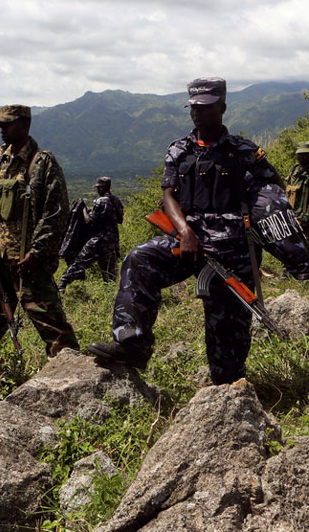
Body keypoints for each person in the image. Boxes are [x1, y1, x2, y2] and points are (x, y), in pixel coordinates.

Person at [88, 77, 285, 385]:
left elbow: (273, 193)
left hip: (231, 251)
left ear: (222, 107)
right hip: (188, 240)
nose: (198, 113)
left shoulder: (244, 151)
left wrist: (255, 223)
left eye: (205, 107)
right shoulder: (179, 149)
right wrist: (185, 231)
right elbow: (168, 194)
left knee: (227, 339)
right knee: (140, 259)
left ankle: (229, 386)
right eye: (194, 107)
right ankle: (132, 344)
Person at [0, 105, 80, 364]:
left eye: (7, 124)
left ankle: (67, 360)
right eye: (0, 125)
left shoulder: (42, 163)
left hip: (28, 258)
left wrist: (37, 252)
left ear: (24, 125)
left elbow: (55, 213)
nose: (2, 130)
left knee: (46, 313)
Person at [58, 176, 124, 290]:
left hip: (98, 240)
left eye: (98, 188)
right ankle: (110, 292)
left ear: (102, 188)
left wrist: (83, 208)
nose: (97, 190)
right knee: (109, 271)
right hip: (111, 241)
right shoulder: (116, 201)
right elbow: (120, 219)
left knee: (80, 261)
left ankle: (62, 284)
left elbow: (89, 220)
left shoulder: (101, 201)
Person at [285, 141, 309, 263]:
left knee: (308, 256)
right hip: (291, 220)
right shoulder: (294, 171)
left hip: (307, 224)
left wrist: (303, 220)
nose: (301, 157)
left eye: (305, 154)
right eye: (300, 154)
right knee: (289, 253)